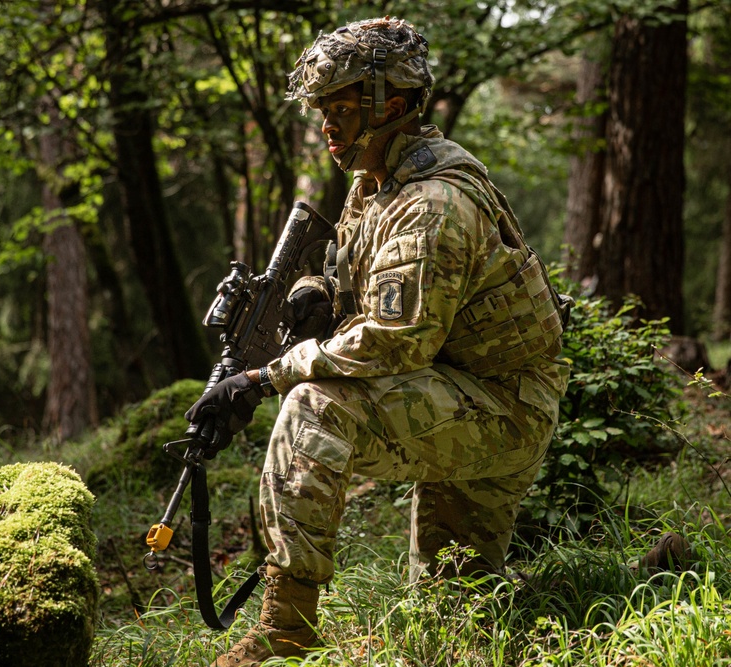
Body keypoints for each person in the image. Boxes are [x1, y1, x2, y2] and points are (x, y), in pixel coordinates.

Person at [186, 17, 572, 667]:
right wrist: (315, 289)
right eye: (320, 111)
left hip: (502, 406)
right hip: (464, 392)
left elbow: (396, 342)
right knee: (456, 607)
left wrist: (267, 377)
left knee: (314, 407)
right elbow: (356, 276)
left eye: (339, 109)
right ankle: (622, 573)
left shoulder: (432, 201)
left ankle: (284, 633)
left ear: (388, 106)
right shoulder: (376, 180)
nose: (326, 126)